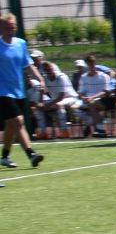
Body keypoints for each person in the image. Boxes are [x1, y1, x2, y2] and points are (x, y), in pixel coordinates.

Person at [0, 13, 47, 170]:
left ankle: (5, 156)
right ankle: (31, 154)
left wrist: (40, 78)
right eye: (7, 28)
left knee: (11, 125)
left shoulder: (21, 44)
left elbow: (27, 65)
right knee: (18, 121)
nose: (10, 30)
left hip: (18, 90)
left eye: (13, 27)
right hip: (2, 91)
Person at [32, 52, 80, 138]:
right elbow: (42, 91)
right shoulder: (45, 78)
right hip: (56, 99)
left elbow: (61, 96)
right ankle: (43, 132)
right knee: (38, 108)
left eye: (50, 69)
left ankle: (64, 131)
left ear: (53, 69)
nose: (48, 71)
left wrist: (48, 105)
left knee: (58, 105)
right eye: (46, 70)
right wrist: (40, 102)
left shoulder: (61, 77)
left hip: (70, 98)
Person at [73, 55, 113, 136]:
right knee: (72, 107)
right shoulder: (83, 77)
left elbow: (105, 91)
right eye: (89, 64)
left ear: (95, 63)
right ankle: (89, 122)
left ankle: (100, 130)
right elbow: (81, 92)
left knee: (92, 104)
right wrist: (83, 98)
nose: (91, 66)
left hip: (101, 100)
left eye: (92, 64)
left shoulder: (103, 76)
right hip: (87, 100)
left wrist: (92, 97)